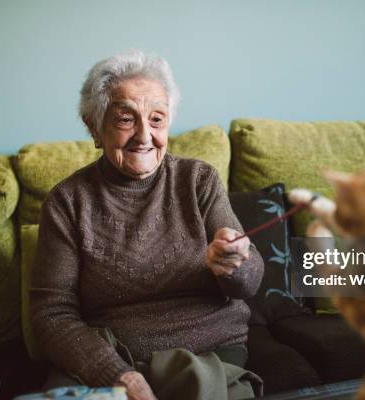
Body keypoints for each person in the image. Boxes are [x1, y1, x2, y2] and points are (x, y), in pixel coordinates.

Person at [30, 49, 264, 400]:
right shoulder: (68, 202)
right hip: (108, 356)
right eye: (126, 119)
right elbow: (51, 313)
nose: (144, 136)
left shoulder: (198, 180)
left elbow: (249, 281)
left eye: (157, 119)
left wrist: (235, 265)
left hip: (207, 354)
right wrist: (117, 375)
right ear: (94, 127)